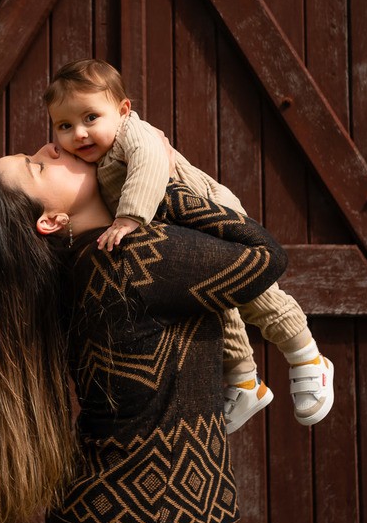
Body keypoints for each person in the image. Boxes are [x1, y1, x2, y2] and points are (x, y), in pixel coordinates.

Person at [0, 142, 290, 523]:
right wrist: (161, 180)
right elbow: (266, 257)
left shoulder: (84, 261)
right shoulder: (130, 256)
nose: (50, 148)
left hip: (116, 512)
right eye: (36, 168)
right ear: (51, 221)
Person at [43, 59, 333, 430]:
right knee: (216, 303)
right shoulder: (93, 156)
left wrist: (129, 217)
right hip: (179, 233)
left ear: (123, 110)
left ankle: (307, 357)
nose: (79, 134)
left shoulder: (135, 133)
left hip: (212, 217)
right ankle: (245, 381)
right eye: (65, 126)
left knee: (255, 295)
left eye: (90, 118)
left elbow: (150, 163)